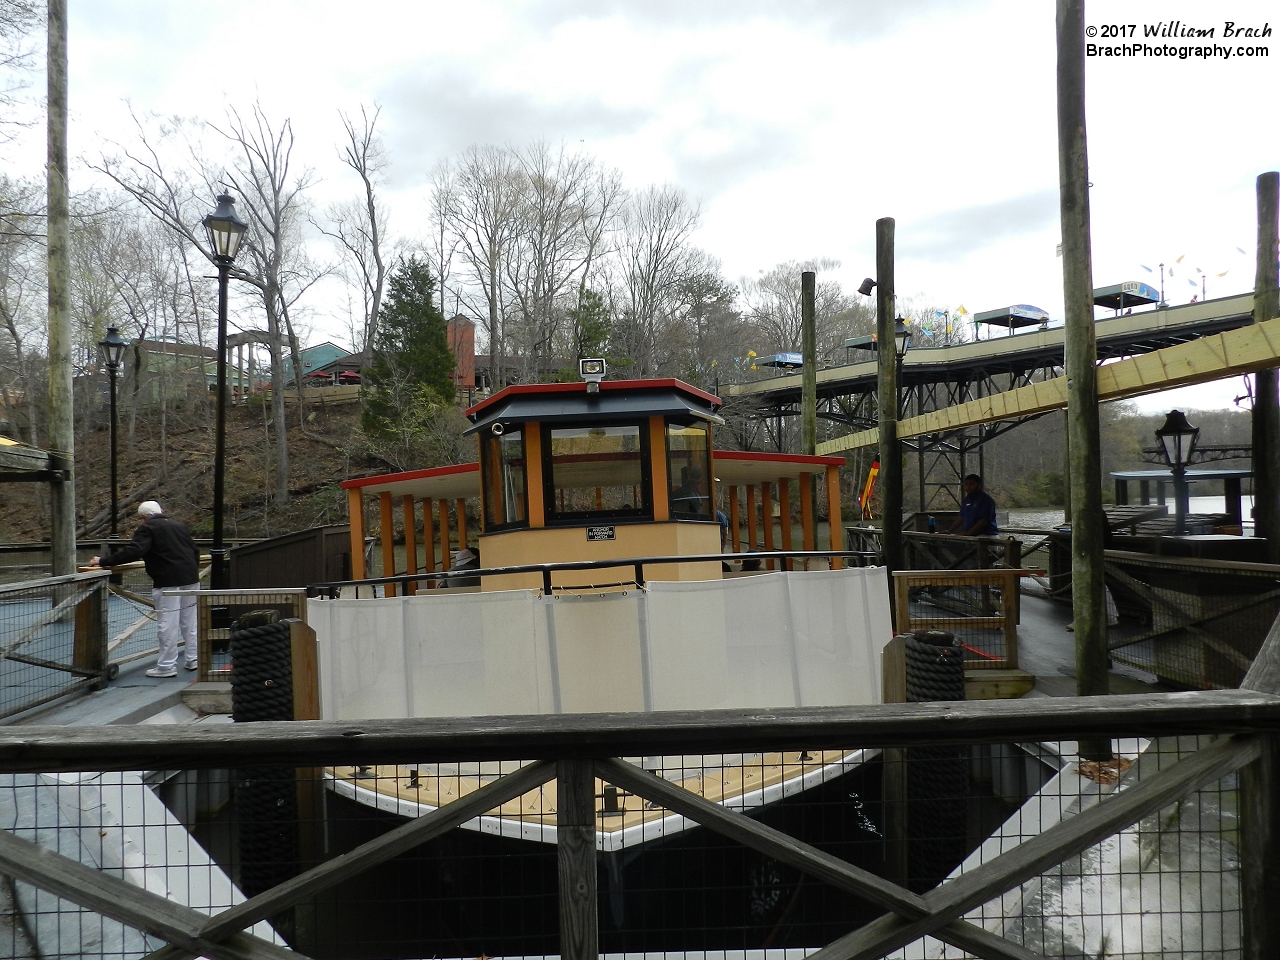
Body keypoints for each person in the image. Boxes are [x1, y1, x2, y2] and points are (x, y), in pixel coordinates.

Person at [90, 500, 201, 678]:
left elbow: (135, 551)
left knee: (168, 624)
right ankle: (193, 658)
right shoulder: (179, 526)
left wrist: (103, 561)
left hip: (168, 580)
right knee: (190, 622)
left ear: (143, 518)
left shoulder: (147, 528)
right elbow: (194, 551)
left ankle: (166, 666)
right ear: (161, 511)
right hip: (191, 578)